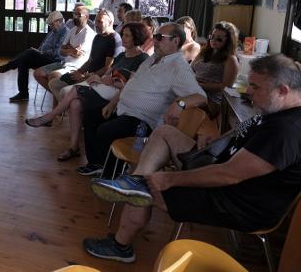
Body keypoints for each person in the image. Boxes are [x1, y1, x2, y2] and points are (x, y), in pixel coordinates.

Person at [86, 54, 301, 264]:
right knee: (164, 133)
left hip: (233, 200)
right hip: (220, 168)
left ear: (283, 90)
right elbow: (243, 140)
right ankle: (138, 179)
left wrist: (168, 180)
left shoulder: (286, 131)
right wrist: (217, 141)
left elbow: (228, 175)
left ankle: (121, 243)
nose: (248, 92)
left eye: (255, 87)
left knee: (146, 187)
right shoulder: (278, 110)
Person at [77, 22, 207, 176]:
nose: (154, 40)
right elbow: (131, 83)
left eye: (159, 37)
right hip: (124, 110)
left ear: (176, 41)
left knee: (106, 131)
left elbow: (201, 97)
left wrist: (180, 103)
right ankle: (97, 163)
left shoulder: (178, 67)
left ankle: (115, 173)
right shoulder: (153, 58)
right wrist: (112, 103)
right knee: (91, 113)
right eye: (154, 37)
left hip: (143, 121)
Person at [25, 22, 149, 162]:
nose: (123, 38)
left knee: (76, 90)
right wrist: (97, 78)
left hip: (118, 97)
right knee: (75, 104)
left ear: (137, 38)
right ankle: (73, 147)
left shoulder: (142, 59)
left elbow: (134, 85)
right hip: (104, 89)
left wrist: (106, 81)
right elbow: (108, 73)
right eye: (123, 34)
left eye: (127, 36)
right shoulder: (121, 56)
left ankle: (49, 116)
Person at [47, 9, 122, 101]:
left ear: (110, 22)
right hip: (87, 75)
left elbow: (108, 68)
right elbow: (90, 60)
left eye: (100, 21)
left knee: (65, 91)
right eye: (95, 21)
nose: (96, 24)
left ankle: (69, 108)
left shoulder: (114, 39)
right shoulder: (98, 37)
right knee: (53, 84)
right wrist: (79, 72)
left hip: (98, 80)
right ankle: (68, 109)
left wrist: (85, 77)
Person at [0, 11, 68, 102]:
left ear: (59, 21)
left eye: (51, 24)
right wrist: (38, 51)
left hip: (54, 61)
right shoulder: (53, 31)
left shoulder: (65, 32)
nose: (50, 26)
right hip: (45, 57)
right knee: (23, 62)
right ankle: (23, 93)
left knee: (29, 53)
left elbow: (57, 52)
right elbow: (43, 44)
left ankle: (8, 66)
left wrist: (42, 52)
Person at [33, 5, 95, 96]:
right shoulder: (72, 30)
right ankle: (61, 97)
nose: (75, 17)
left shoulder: (88, 33)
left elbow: (77, 53)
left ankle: (59, 104)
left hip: (76, 66)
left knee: (53, 76)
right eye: (74, 14)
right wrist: (71, 49)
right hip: (64, 63)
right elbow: (61, 50)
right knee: (37, 73)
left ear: (86, 17)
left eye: (79, 15)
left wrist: (68, 48)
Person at [191, 21, 240, 115]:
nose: (213, 40)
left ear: (228, 41)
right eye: (212, 36)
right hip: (195, 91)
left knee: (180, 102)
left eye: (219, 39)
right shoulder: (204, 52)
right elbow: (190, 69)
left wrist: (199, 85)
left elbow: (225, 86)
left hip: (211, 100)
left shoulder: (230, 59)